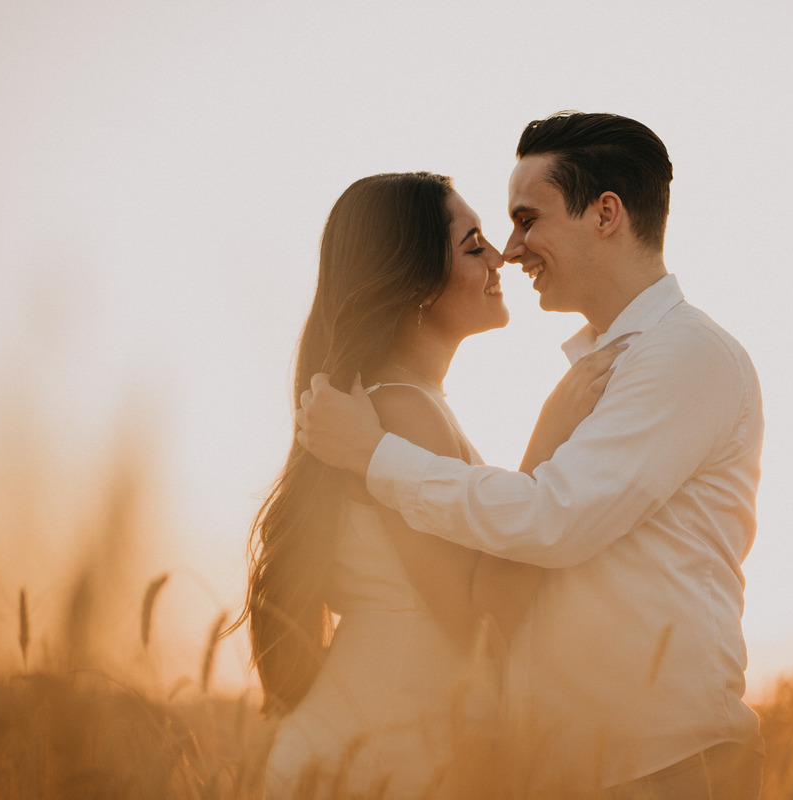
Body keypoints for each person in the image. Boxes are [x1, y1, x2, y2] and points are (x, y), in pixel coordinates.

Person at [298, 113, 766, 798]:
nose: (511, 251)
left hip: (663, 760)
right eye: (491, 236)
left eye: (526, 220)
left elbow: (555, 518)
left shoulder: (683, 354)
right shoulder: (606, 368)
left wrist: (375, 456)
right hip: (582, 765)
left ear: (606, 214)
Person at [244, 172, 618, 799]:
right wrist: (550, 435)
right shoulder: (400, 409)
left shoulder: (407, 403)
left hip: (378, 744)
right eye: (473, 245)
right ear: (416, 282)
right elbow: (480, 620)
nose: (500, 256)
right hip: (375, 754)